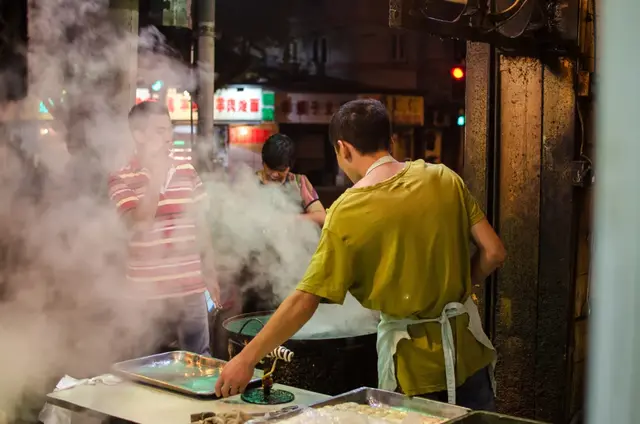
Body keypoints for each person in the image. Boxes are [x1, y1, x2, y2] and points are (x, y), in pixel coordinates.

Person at [215, 99, 506, 410]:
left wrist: (246, 359)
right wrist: (453, 291)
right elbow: (494, 252)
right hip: (470, 358)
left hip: (415, 375)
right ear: (390, 141)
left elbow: (305, 300)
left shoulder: (347, 209)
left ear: (343, 149)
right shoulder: (444, 178)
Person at [108, 101, 219, 356]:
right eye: (159, 131)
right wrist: (157, 174)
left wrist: (209, 272)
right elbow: (140, 222)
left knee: (199, 361)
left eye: (168, 129)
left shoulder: (186, 170)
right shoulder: (121, 176)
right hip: (146, 295)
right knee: (147, 368)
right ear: (139, 135)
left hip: (191, 289)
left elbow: (201, 223)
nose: (167, 137)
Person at [257, 133, 326, 226]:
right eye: (270, 168)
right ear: (263, 162)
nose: (274, 174)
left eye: (281, 170)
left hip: (293, 239)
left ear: (289, 167)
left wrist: (291, 219)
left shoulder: (299, 182)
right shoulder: (250, 182)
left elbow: (322, 217)